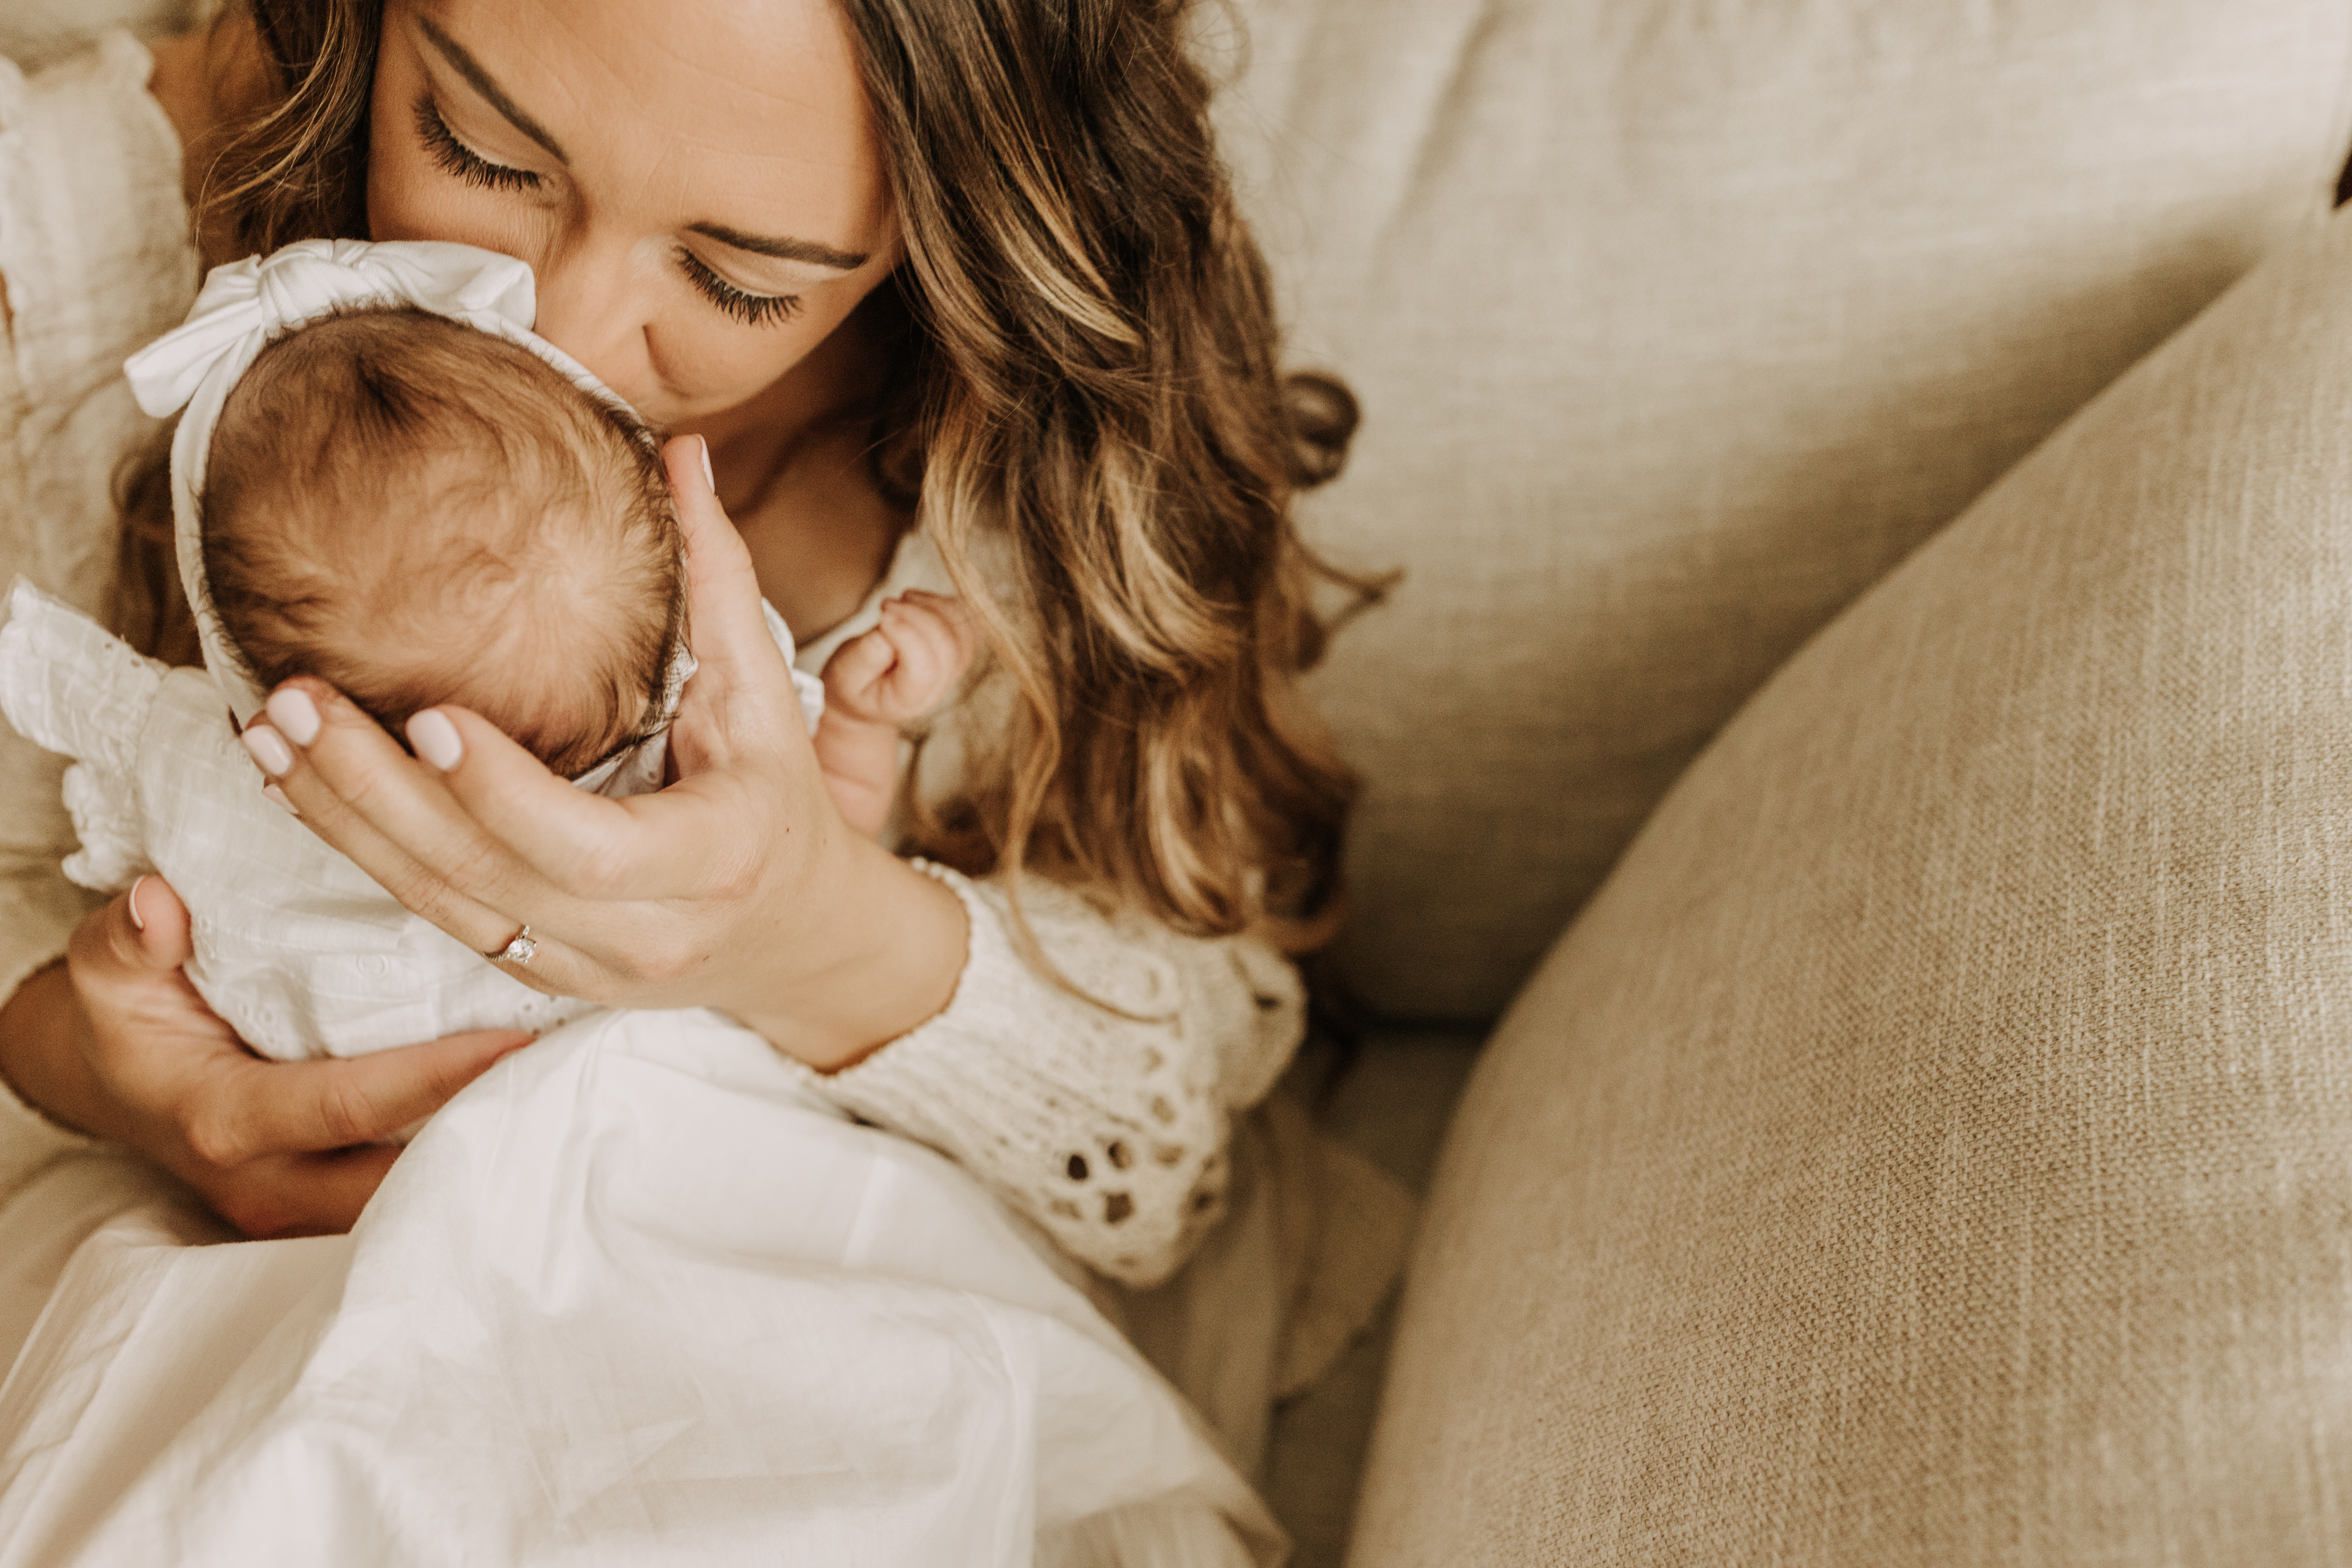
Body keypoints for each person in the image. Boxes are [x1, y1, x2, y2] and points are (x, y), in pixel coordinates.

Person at [0, 0, 1405, 1491]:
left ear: (946, 221)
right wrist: (66, 1052)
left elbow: (1167, 1155)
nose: (556, 323)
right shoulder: (60, 262)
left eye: (736, 282)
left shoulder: (1019, 477)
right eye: (475, 147)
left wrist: (811, 929)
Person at [1, 238, 976, 1063]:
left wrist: (852, 733)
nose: (578, 327)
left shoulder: (684, 765)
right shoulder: (668, 754)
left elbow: (813, 853)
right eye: (480, 155)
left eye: (736, 278)